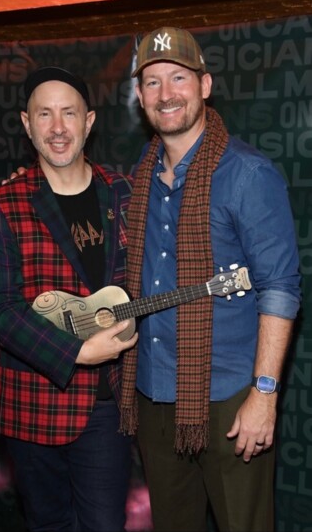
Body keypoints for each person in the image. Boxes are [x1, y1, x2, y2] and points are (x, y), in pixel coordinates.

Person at [119, 27, 301, 532]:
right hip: (154, 394)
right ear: (139, 97)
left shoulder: (247, 173)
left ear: (205, 85)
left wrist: (264, 395)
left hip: (227, 402)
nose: (165, 93)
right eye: (152, 82)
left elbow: (281, 288)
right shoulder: (141, 175)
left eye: (178, 77)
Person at [0, 66, 138, 532]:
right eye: (43, 114)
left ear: (89, 121)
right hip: (33, 404)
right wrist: (78, 351)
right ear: (26, 125)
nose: (57, 127)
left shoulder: (124, 192)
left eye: (68, 113)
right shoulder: (5, 204)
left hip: (106, 405)